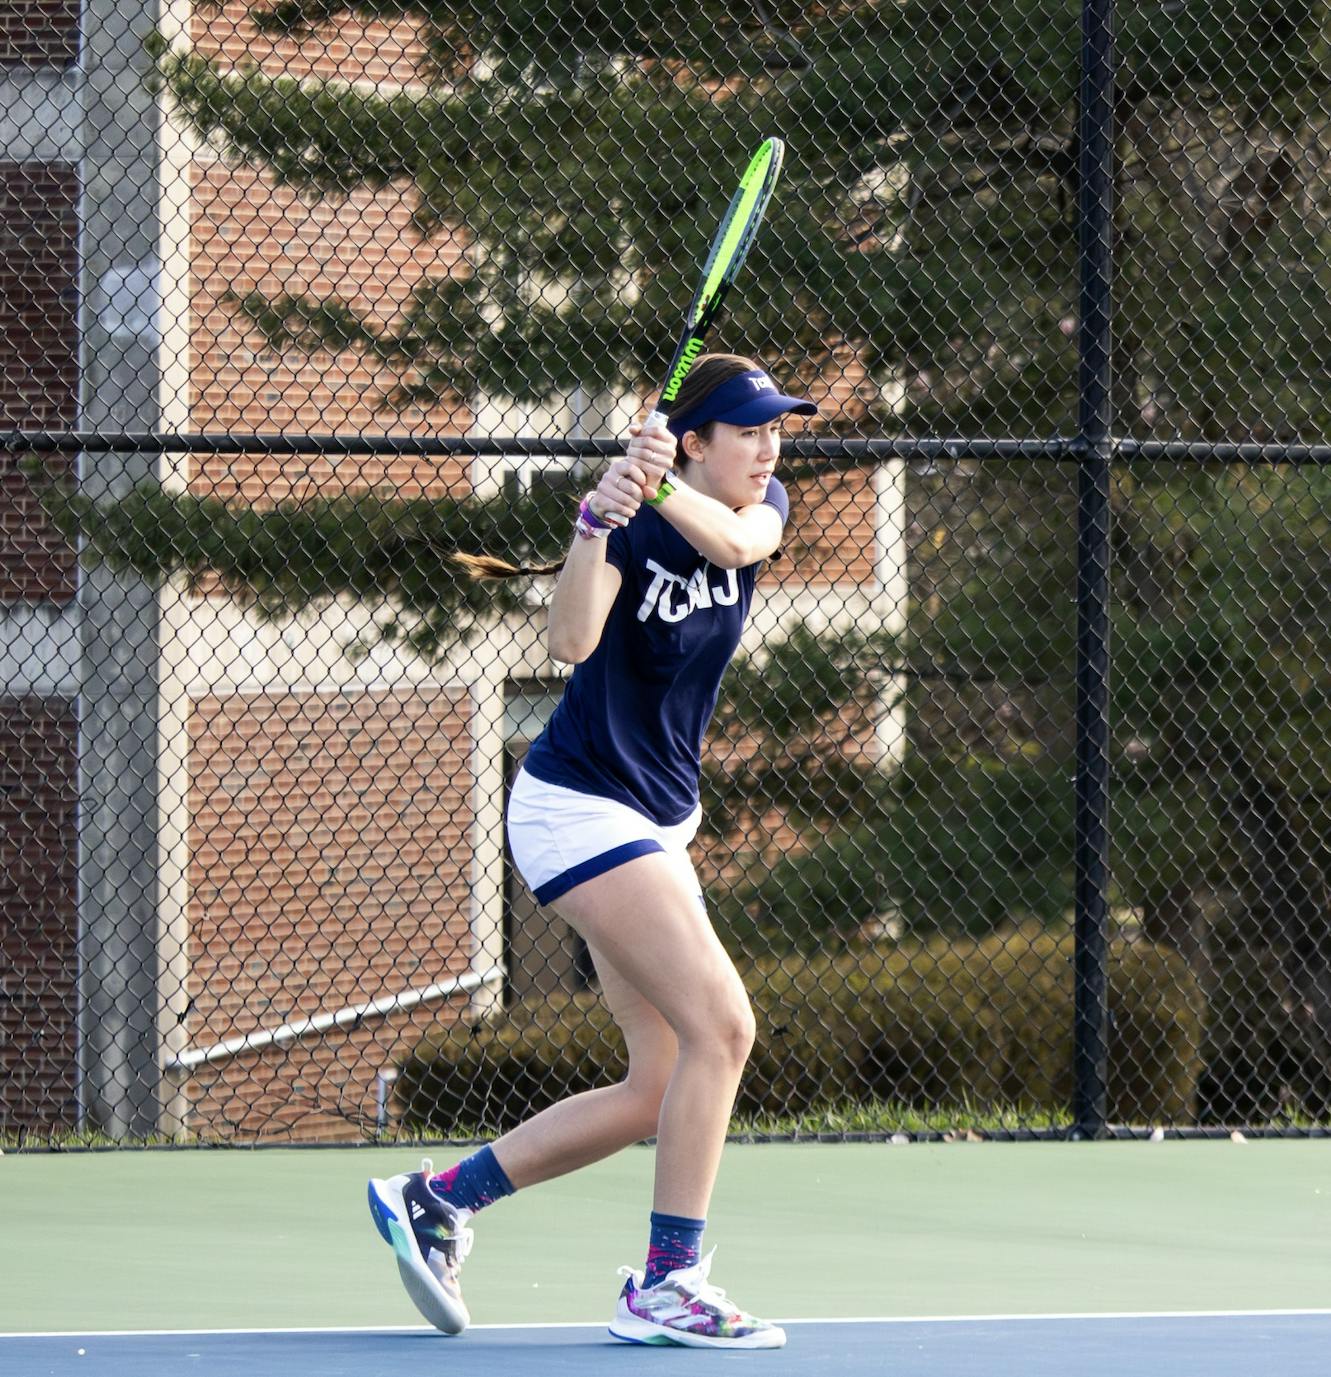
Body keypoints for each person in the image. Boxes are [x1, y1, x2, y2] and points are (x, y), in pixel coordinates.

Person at [368, 353, 816, 1350]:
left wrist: (653, 483)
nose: (768, 445)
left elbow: (741, 545)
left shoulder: (757, 505)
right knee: (725, 1029)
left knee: (655, 1084)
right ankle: (668, 1283)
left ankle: (439, 1200)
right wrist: (594, 521)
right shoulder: (635, 518)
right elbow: (568, 642)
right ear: (693, 440)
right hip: (578, 808)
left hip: (657, 817)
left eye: (773, 427)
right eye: (747, 430)